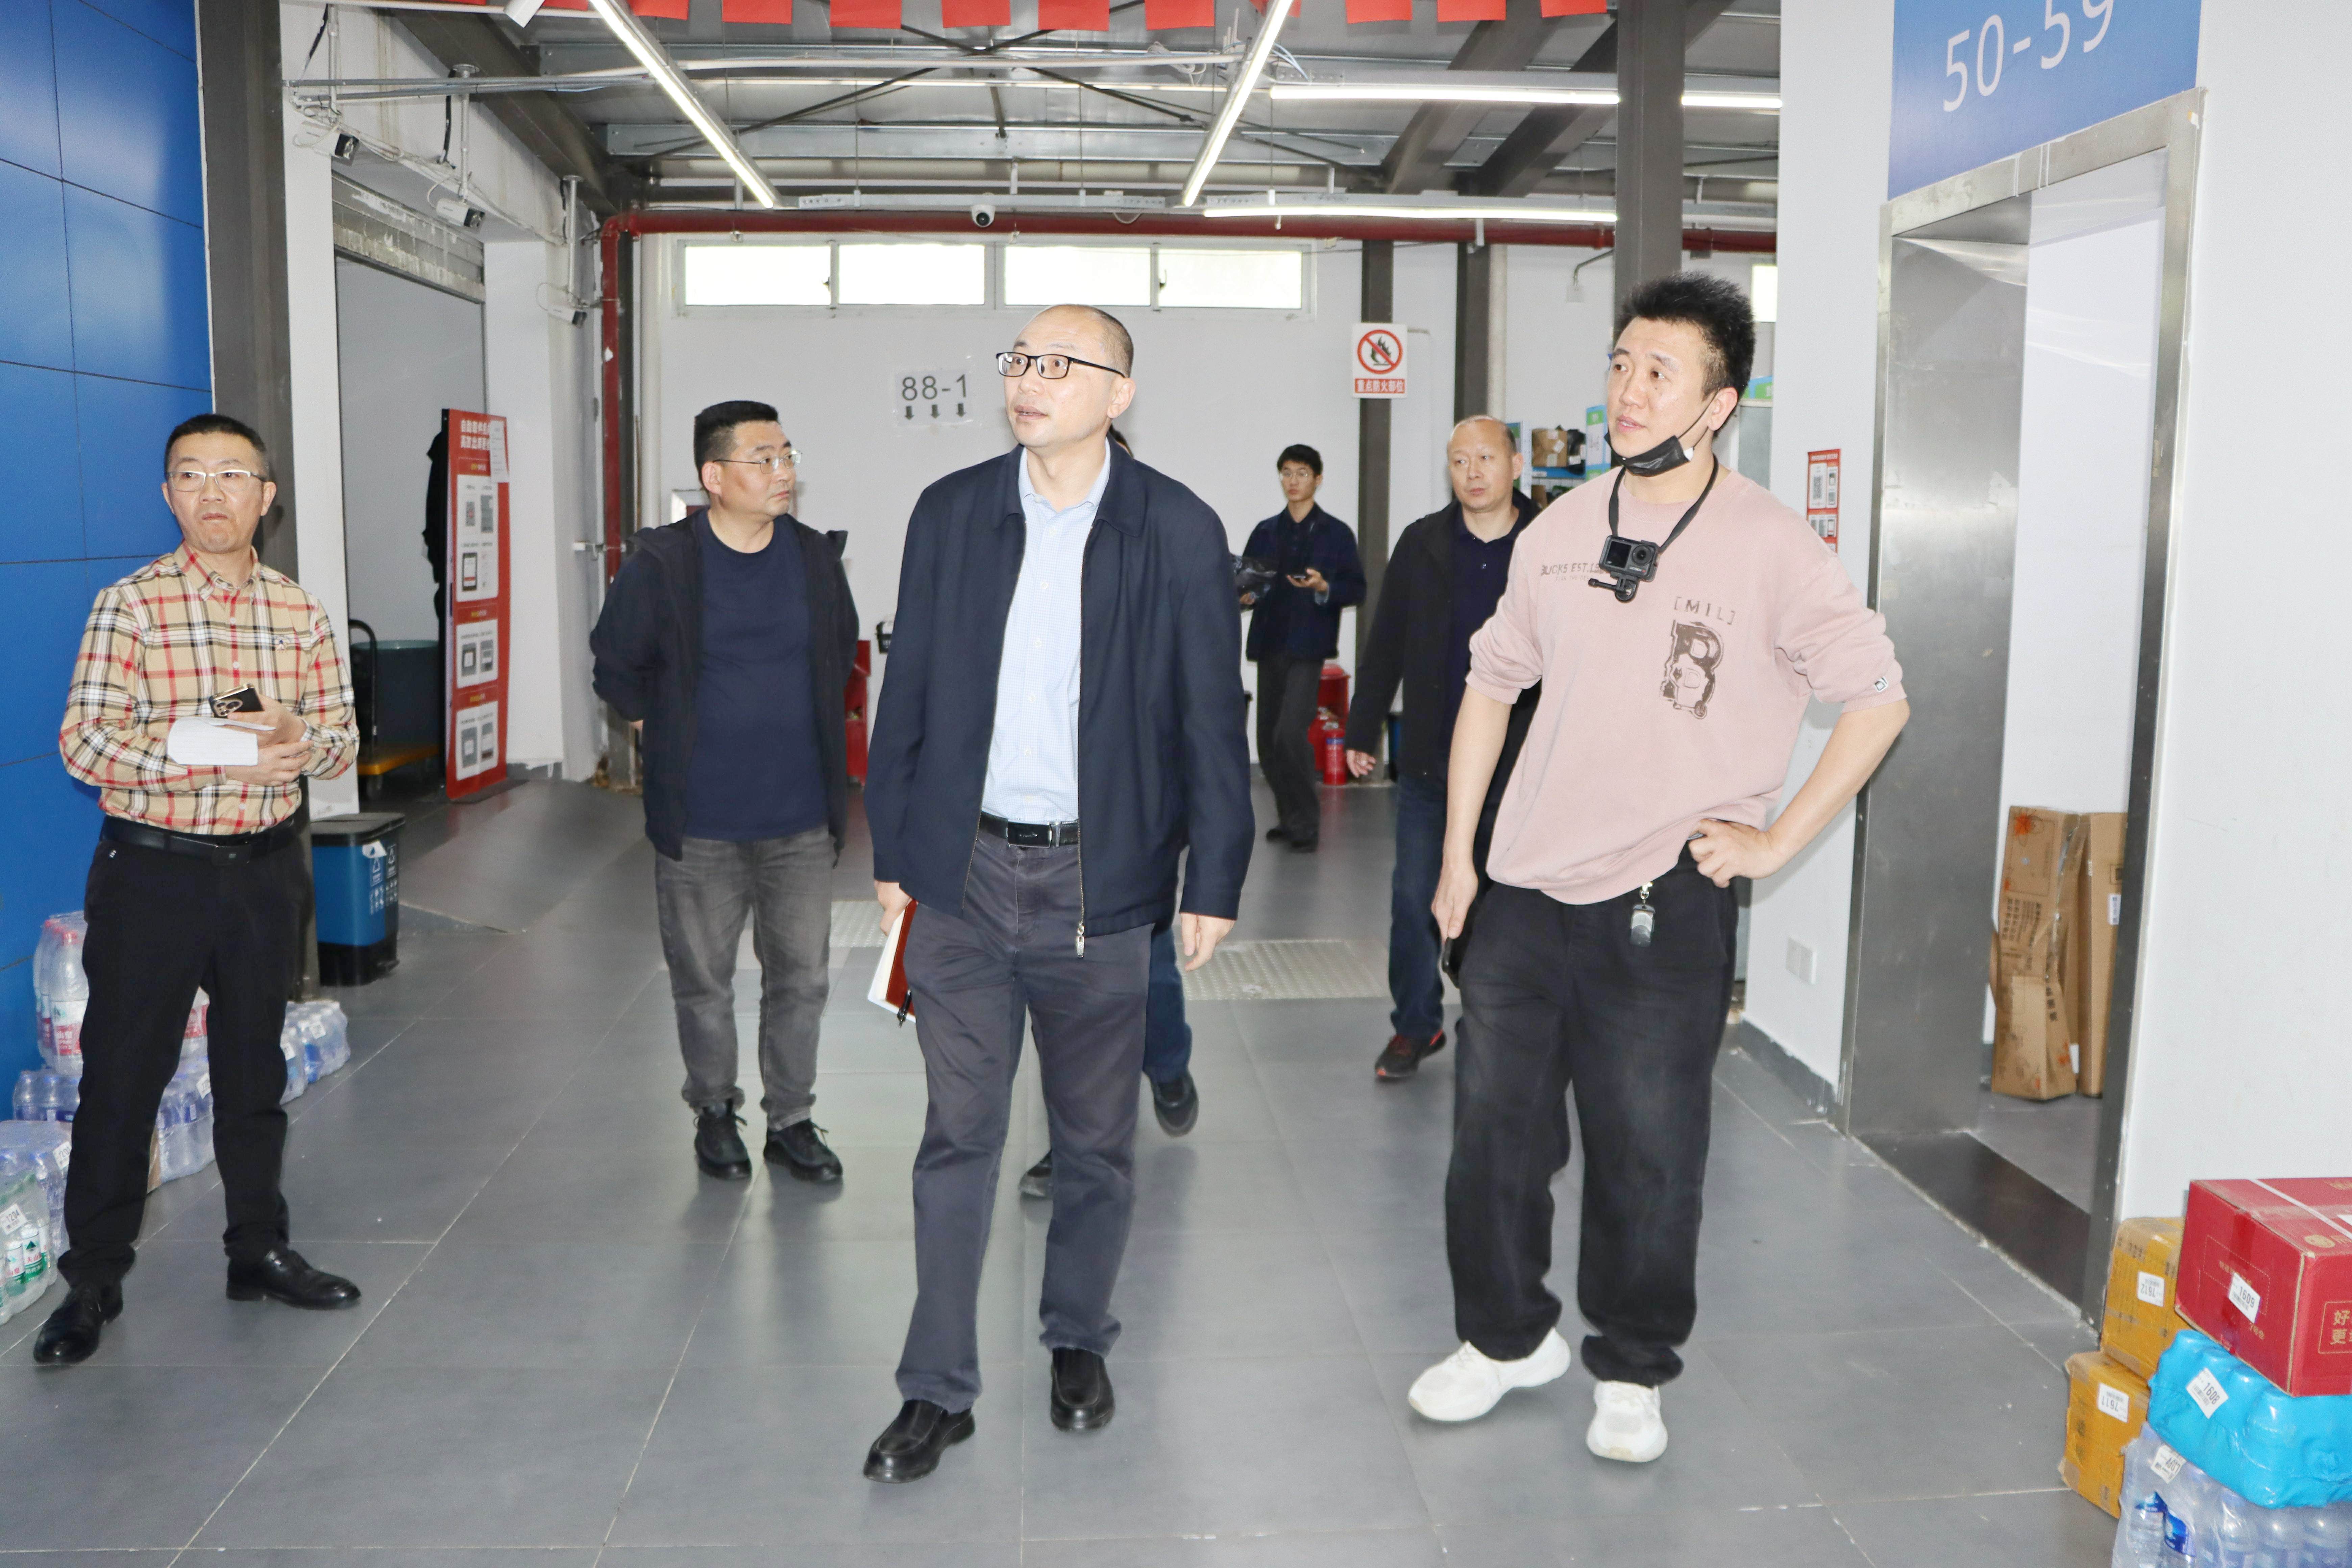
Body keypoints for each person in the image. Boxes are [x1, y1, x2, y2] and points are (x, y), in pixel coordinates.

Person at [1410, 274, 1910, 1465]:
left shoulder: (1771, 545)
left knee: (1647, 1147)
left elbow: (1878, 698)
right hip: (1523, 892)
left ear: (1718, 404)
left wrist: (1775, 841)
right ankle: (1503, 1338)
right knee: (1493, 1139)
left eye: (1660, 372)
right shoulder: (1558, 531)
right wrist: (1459, 856)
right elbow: (1490, 684)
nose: (1630, 390)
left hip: (1662, 899)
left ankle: (1632, 1366)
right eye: (1622, 362)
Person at [862, 305, 1251, 1482]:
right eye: (1021, 359)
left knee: (1093, 1142)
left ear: (1118, 393)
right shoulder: (952, 511)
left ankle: (1078, 1333)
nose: (1029, 379)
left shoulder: (1176, 527)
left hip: (1103, 880)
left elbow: (1210, 715)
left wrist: (1214, 876)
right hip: (964, 877)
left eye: (1060, 364)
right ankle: (936, 1388)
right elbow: (908, 690)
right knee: (957, 1137)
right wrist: (893, 855)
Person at [40, 413, 363, 1365]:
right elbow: (86, 743)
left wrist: (301, 741)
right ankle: (93, 1279)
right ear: (169, 494)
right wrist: (222, 749)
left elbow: (339, 739)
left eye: (232, 474)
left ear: (267, 496)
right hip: (155, 871)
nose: (211, 492)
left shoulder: (300, 612)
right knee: (123, 1076)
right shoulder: (130, 607)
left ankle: (257, 1249)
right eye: (190, 474)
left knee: (255, 1071)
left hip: (265, 870)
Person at [590, 400, 858, 1185]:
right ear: (714, 476)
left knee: (802, 979)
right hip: (701, 821)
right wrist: (664, 725)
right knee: (703, 979)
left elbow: (839, 649)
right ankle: (714, 1110)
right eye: (763, 459)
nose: (783, 472)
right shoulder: (664, 563)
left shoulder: (813, 558)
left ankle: (792, 1119)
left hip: (800, 817)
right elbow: (616, 662)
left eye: (787, 456)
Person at [1019, 425, 1198, 1203]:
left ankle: (1168, 1061)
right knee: (1068, 998)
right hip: (1046, 831)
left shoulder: (1164, 567)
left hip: (1138, 822)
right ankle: (1073, 1145)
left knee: (1145, 975)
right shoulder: (1033, 573)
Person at [1343, 416, 1542, 1084]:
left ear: (1516, 464)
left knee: (1509, 909)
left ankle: (1496, 1026)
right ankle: (1415, 1024)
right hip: (1433, 761)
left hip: (1521, 769)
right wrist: (1362, 728)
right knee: (1413, 898)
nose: (1473, 472)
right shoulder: (1422, 543)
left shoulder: (1550, 544)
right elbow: (1387, 641)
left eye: (1487, 457)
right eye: (1460, 460)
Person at [1240, 446, 1364, 852]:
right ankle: (1290, 817)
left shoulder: (1336, 533)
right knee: (1267, 742)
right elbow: (1248, 584)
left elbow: (1357, 588)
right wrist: (1244, 596)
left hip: (1309, 646)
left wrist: (1324, 586)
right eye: (1287, 473)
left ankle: (1307, 823)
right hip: (1270, 643)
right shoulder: (1265, 531)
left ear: (1318, 479)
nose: (1293, 481)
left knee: (1290, 733)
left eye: (1302, 473)